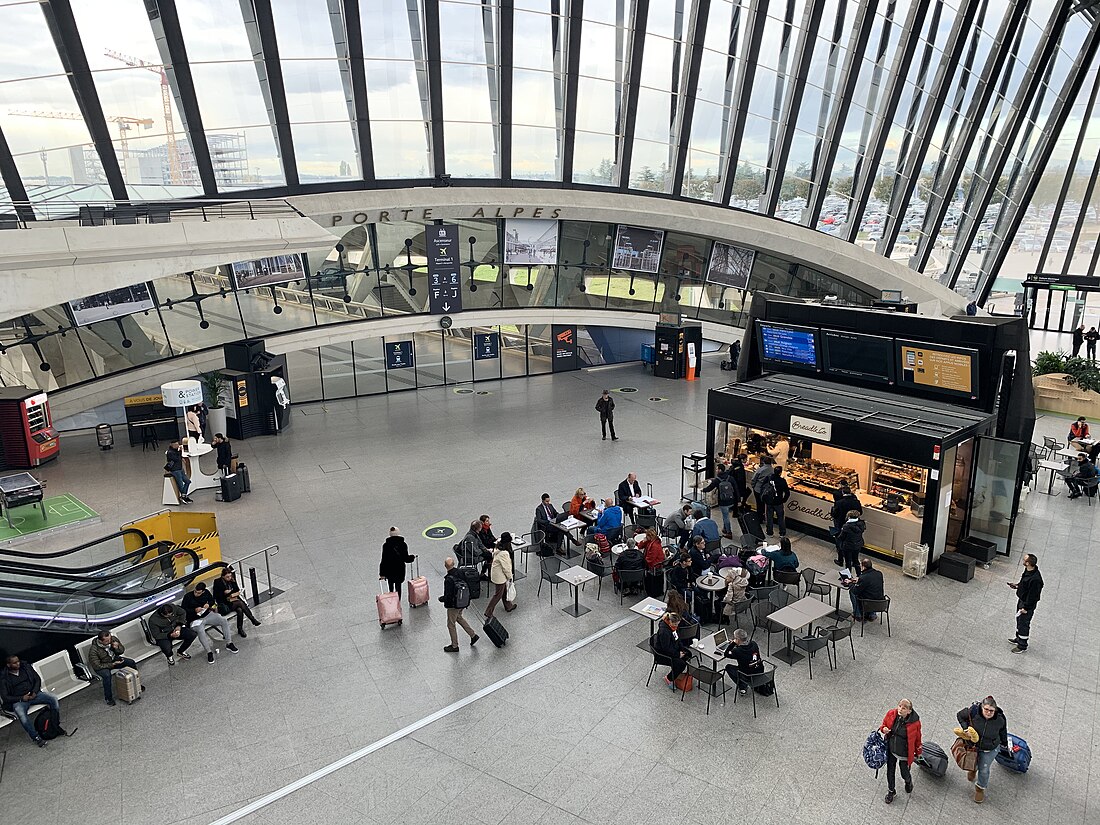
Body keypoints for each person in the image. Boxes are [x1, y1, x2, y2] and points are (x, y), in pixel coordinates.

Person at [954, 697, 1009, 803]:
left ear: (995, 710)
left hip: (989, 748)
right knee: (973, 762)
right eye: (986, 709)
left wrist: (1005, 744)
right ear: (982, 707)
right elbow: (960, 715)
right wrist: (965, 728)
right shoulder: (973, 711)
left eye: (991, 710)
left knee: (984, 769)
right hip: (973, 745)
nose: (988, 712)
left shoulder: (1000, 719)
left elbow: (1003, 731)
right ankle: (973, 769)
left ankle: (980, 789)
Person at [1, 655, 62, 746]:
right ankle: (36, 737)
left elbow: (37, 679)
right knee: (21, 714)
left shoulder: (26, 667)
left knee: (53, 698)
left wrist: (34, 691)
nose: (18, 664)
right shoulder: (4, 677)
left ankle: (54, 725)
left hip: (33, 694)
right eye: (15, 663)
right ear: (9, 665)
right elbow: (5, 697)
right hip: (19, 700)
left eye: (18, 661)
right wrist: (21, 698)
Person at [182, 581, 238, 663]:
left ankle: (229, 643)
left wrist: (208, 605)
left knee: (223, 620)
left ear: (203, 591)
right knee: (200, 631)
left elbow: (212, 601)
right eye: (195, 592)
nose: (196, 594)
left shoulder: (206, 593)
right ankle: (209, 652)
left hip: (207, 614)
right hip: (195, 619)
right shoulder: (188, 596)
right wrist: (194, 610)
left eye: (199, 593)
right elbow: (184, 610)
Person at [880, 699, 922, 804]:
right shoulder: (891, 714)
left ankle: (908, 782)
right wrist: (884, 729)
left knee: (904, 772)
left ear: (909, 711)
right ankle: (891, 791)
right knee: (890, 771)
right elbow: (883, 725)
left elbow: (918, 738)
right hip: (891, 748)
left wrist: (918, 751)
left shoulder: (915, 723)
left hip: (904, 752)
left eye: (904, 708)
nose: (900, 709)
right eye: (899, 706)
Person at [87, 630, 140, 706]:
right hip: (103, 666)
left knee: (131, 662)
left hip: (114, 659)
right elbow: (97, 665)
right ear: (100, 641)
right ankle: (108, 698)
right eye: (107, 641)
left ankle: (136, 684)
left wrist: (117, 647)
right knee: (107, 676)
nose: (109, 641)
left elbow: (121, 651)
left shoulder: (113, 639)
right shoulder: (93, 650)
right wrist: (112, 664)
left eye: (110, 639)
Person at [440, 556, 478, 652]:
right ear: (453, 564)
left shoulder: (449, 579)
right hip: (463, 601)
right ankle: (473, 635)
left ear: (445, 566)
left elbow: (448, 595)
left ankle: (454, 645)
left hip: (454, 605)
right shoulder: (461, 572)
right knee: (459, 618)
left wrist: (442, 599)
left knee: (451, 624)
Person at [1008, 552, 1043, 653]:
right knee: (1019, 621)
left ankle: (1022, 646)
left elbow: (1033, 596)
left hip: (1027, 605)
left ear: (1028, 563)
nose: (1022, 561)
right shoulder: (1028, 571)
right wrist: (1018, 586)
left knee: (1024, 623)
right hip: (1022, 600)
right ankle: (1018, 638)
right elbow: (1024, 582)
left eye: (1024, 560)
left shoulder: (1036, 580)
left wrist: (1026, 608)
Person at [213, 567, 262, 637]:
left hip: (233, 600)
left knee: (240, 610)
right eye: (227, 577)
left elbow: (237, 590)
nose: (229, 578)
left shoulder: (232, 580)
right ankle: (252, 619)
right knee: (240, 603)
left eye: (230, 576)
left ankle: (240, 629)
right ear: (223, 576)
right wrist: (225, 593)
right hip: (224, 603)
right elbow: (216, 596)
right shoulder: (217, 582)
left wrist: (232, 593)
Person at [652, 611, 692, 689]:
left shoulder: (672, 627)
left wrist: (682, 649)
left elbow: (677, 639)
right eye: (675, 624)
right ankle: (669, 678)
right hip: (663, 654)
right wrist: (678, 654)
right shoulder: (664, 632)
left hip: (672, 648)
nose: (677, 626)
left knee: (688, 654)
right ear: (670, 622)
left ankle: (676, 671)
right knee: (681, 664)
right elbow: (666, 648)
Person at [722, 628, 764, 695]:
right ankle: (743, 686)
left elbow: (726, 653)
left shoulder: (738, 651)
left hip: (747, 675)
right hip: (759, 671)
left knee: (728, 667)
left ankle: (742, 686)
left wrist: (732, 644)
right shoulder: (754, 644)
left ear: (737, 640)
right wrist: (737, 644)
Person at [701, 466, 738, 539]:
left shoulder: (717, 480)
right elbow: (736, 488)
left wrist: (703, 490)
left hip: (723, 501)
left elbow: (710, 488)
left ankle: (729, 532)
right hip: (731, 500)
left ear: (720, 470)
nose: (716, 470)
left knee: (725, 517)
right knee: (726, 515)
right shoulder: (730, 478)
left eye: (717, 469)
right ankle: (725, 529)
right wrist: (738, 500)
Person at [843, 557, 884, 621]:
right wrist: (859, 580)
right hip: (880, 602)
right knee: (872, 592)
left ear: (863, 567)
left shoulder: (863, 577)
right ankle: (872, 614)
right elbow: (871, 582)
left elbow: (855, 591)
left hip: (868, 603)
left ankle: (858, 615)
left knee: (852, 592)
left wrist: (849, 583)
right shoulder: (879, 573)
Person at [485, 537, 516, 620]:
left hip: (496, 574)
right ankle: (488, 612)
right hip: (500, 577)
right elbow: (506, 568)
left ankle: (508, 606)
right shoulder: (504, 554)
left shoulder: (498, 548)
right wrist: (510, 577)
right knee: (498, 595)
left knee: (503, 591)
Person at [830, 483, 863, 562]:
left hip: (841, 523)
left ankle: (840, 559)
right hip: (853, 525)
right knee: (851, 539)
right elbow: (860, 512)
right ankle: (852, 559)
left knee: (840, 540)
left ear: (843, 493)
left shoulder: (839, 503)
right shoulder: (856, 502)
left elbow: (835, 514)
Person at [379, 527, 416, 592]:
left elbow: (384, 560)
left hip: (389, 570)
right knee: (398, 586)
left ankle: (392, 598)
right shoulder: (403, 544)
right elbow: (406, 558)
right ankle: (398, 600)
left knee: (390, 584)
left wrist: (382, 573)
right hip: (399, 569)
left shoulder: (386, 545)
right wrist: (412, 558)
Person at [761, 466, 791, 537]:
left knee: (769, 517)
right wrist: (784, 500)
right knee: (780, 517)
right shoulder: (782, 481)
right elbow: (787, 492)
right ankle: (782, 533)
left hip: (769, 501)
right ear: (780, 473)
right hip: (778, 502)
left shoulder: (768, 478)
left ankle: (769, 532)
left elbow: (763, 487)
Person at [165, 439, 193, 504]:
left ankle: (183, 495)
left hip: (180, 469)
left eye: (178, 444)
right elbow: (177, 458)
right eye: (176, 444)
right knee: (180, 484)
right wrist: (180, 452)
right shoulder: (170, 452)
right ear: (172, 445)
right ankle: (184, 496)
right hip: (175, 470)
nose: (177, 445)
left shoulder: (175, 451)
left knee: (187, 481)